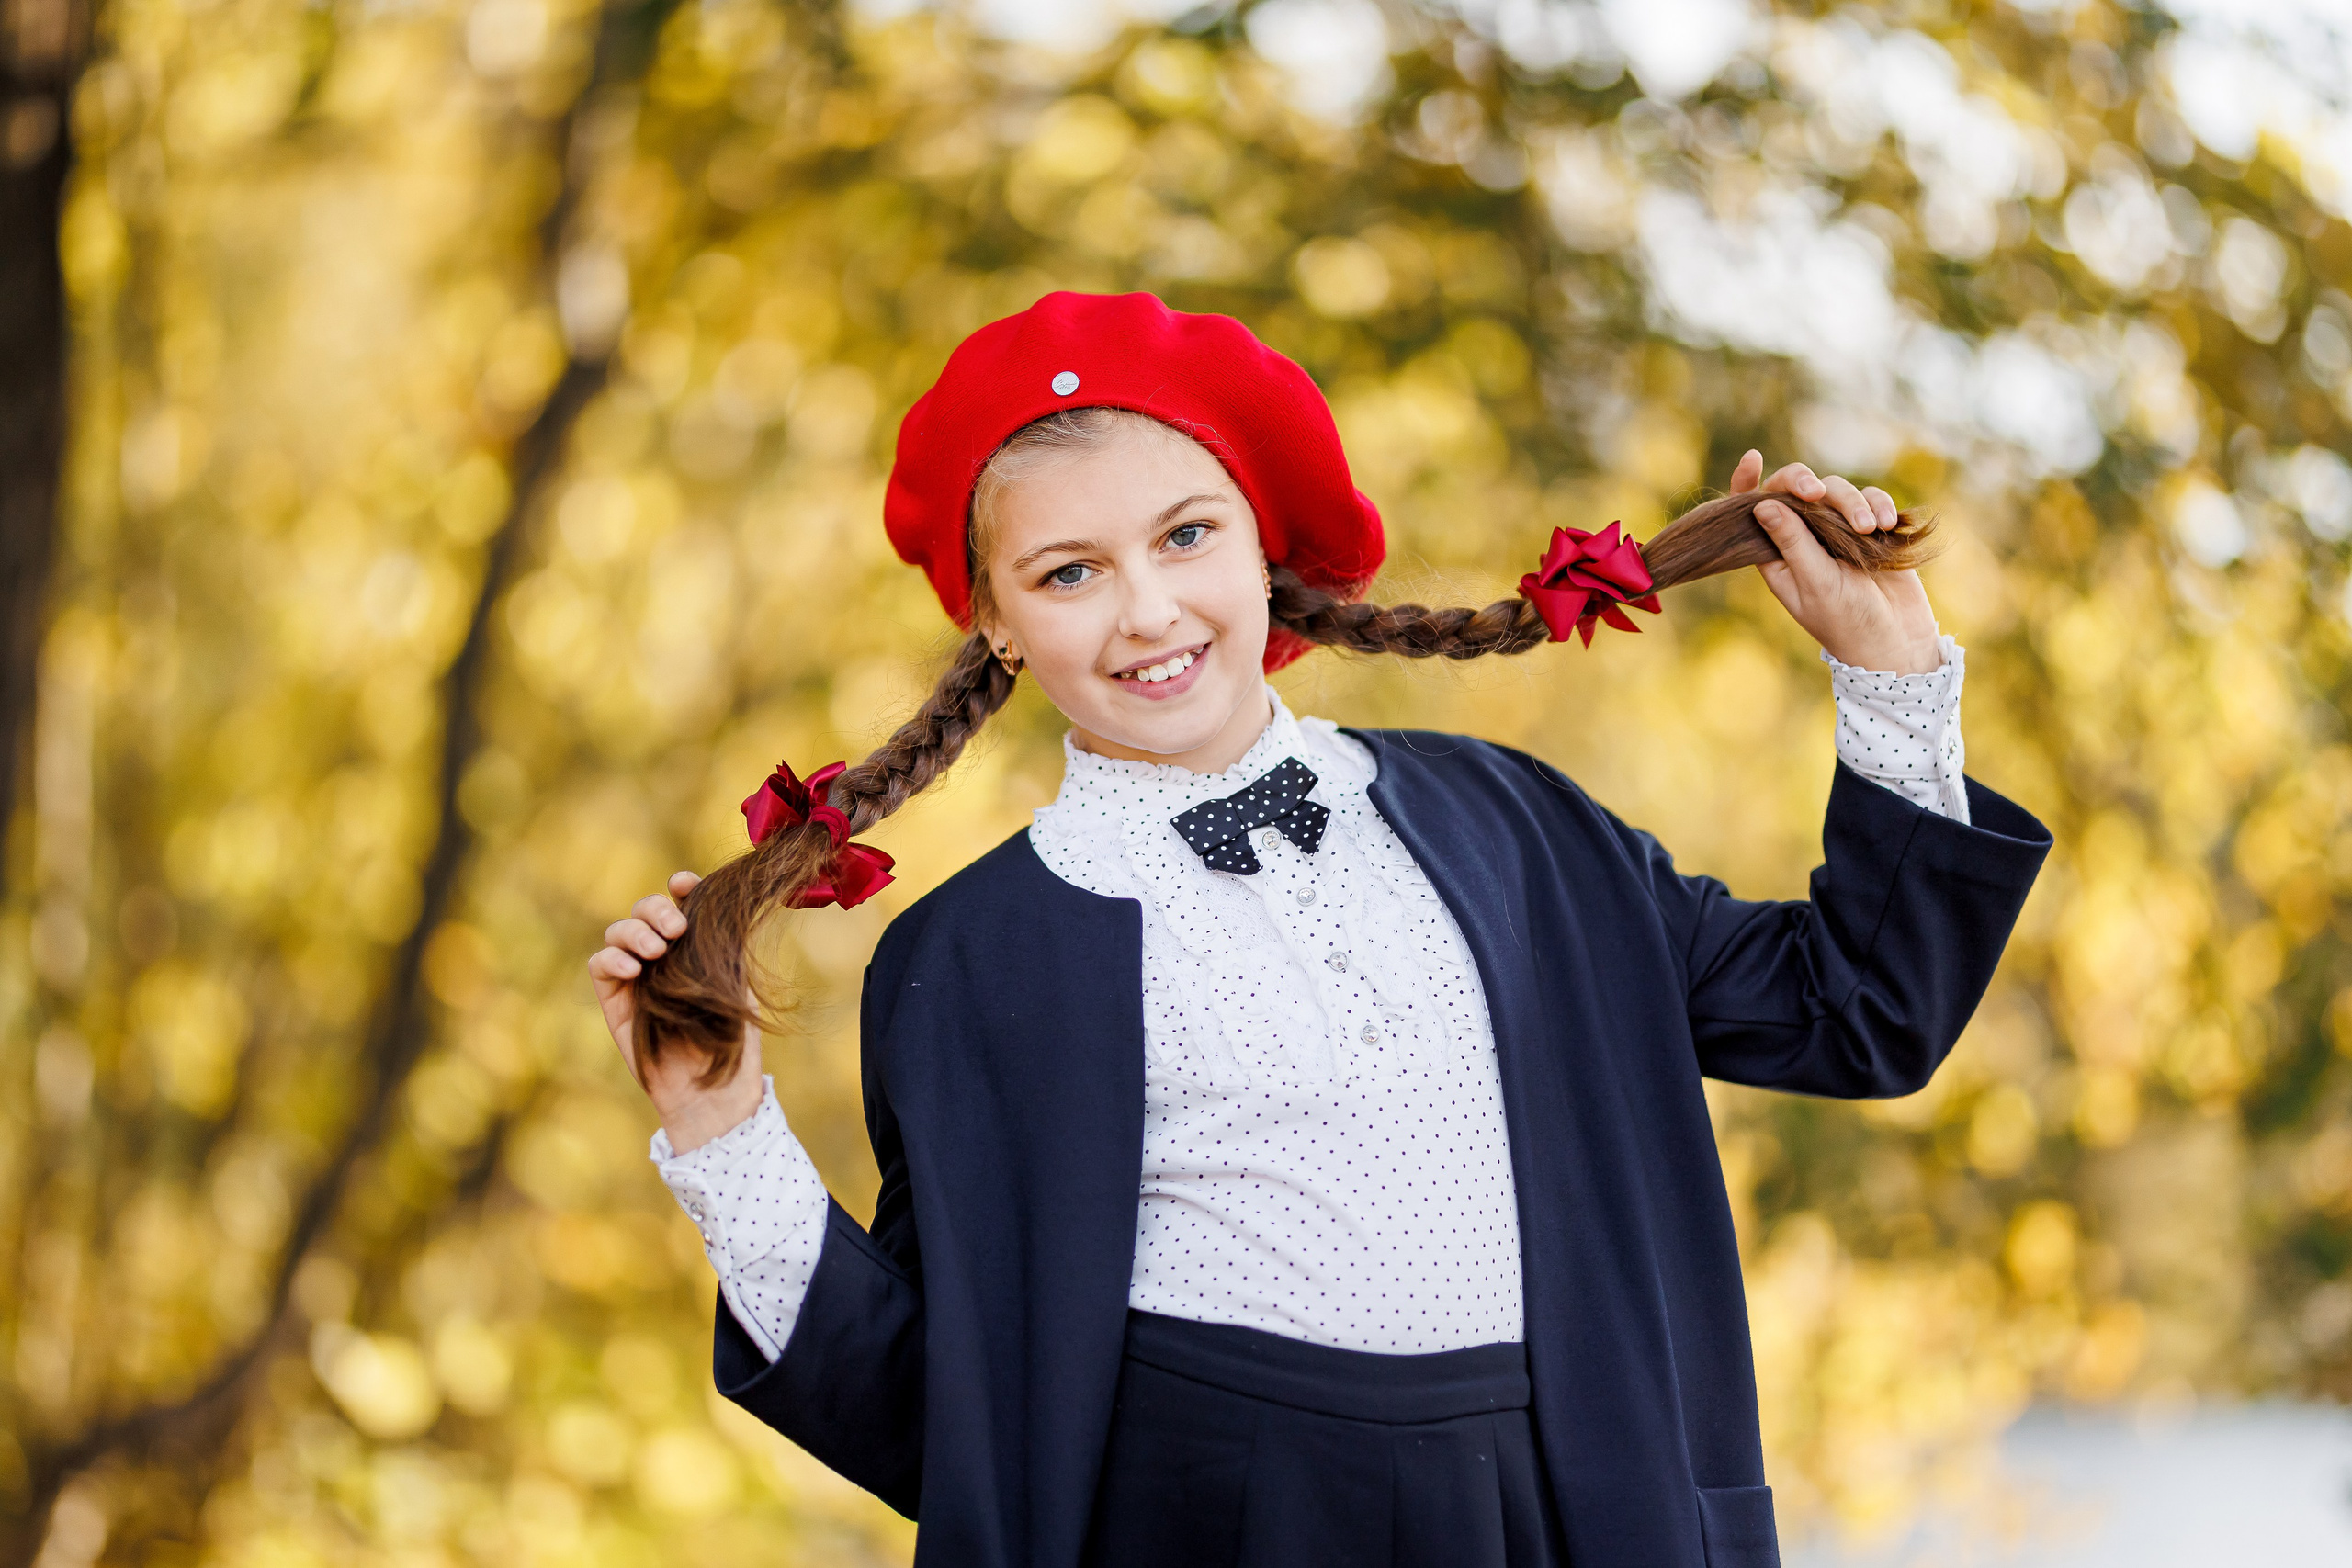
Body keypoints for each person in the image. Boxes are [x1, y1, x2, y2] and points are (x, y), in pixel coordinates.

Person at [586, 291, 2050, 1568]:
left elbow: (1860, 1012)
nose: (1148, 609)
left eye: (1185, 534)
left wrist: (1895, 679)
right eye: (1070, 572)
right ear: (997, 623)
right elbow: (950, 1418)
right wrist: (723, 1138)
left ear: (1262, 548)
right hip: (1206, 1525)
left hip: (1579, 1510)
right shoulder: (972, 959)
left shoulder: (1518, 828)